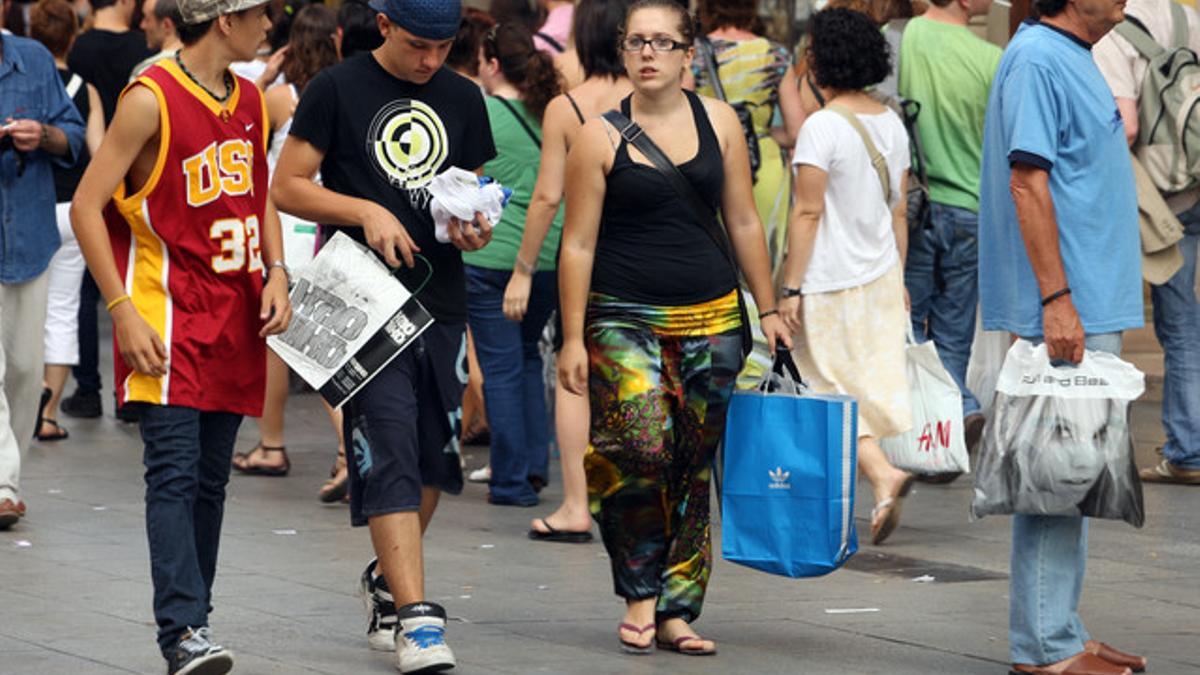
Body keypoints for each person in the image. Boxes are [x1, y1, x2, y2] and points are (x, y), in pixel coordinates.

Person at [271, 0, 494, 670]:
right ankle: (417, 619)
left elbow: (473, 190)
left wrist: (473, 224)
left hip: (442, 296)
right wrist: (364, 208)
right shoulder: (334, 88)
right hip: (358, 300)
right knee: (390, 443)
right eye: (418, 46)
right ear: (385, 25)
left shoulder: (463, 97)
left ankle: (385, 579)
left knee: (436, 459)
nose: (430, 61)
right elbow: (287, 186)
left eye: (443, 47)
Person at [558, 0, 787, 655]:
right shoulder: (596, 136)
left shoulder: (720, 122)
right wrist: (573, 338)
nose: (648, 54)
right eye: (636, 42)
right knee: (638, 451)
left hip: (713, 315)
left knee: (691, 463)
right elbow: (576, 245)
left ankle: (678, 609)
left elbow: (743, 219)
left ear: (690, 53)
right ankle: (639, 592)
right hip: (621, 317)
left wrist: (768, 309)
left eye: (662, 42)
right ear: (623, 52)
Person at [68, 0, 291, 668]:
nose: (271, 23)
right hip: (165, 312)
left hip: (235, 312)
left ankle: (197, 620)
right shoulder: (150, 97)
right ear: (224, 20)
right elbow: (85, 206)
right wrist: (120, 307)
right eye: (262, 12)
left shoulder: (251, 97)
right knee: (172, 472)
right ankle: (182, 630)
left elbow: (261, 194)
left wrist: (277, 270)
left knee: (210, 481)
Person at [978, 0, 1149, 672]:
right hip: (1067, 303)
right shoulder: (1038, 58)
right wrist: (1055, 299)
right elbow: (1028, 181)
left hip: (1087, 298)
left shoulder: (1071, 54)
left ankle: (1061, 630)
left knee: (1070, 475)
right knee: (1058, 473)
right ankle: (1045, 644)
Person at [778, 8, 915, 546]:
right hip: (880, 275)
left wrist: (790, 287)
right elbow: (898, 211)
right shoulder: (891, 123)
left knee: (820, 385)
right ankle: (864, 486)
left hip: (829, 280)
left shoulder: (822, 127)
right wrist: (899, 276)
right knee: (856, 386)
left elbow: (806, 214)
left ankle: (882, 475)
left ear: (819, 61)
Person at [512, 0, 633, 542]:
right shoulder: (663, 102)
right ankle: (636, 498)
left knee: (575, 376)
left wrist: (523, 268)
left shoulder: (568, 108)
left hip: (584, 258)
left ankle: (577, 504)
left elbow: (546, 198)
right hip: (653, 255)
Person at [231, 2, 340, 487]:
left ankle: (280, 443)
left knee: (285, 341)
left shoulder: (279, 97)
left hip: (286, 230)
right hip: (326, 226)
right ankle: (335, 447)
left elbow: (234, 121)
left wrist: (267, 74)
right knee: (320, 342)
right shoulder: (340, 94)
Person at [1094, 0, 1200, 486]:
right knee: (1187, 324)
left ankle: (1187, 449)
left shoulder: (1116, 30)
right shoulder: (1188, 17)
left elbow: (1127, 124)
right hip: (1195, 178)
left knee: (1173, 326)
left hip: (1159, 196)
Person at [897, 0, 1001, 474]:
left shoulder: (914, 35)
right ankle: (953, 419)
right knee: (956, 328)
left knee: (911, 321)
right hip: (973, 210)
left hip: (919, 206)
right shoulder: (991, 59)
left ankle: (932, 423)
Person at [463, 23, 562, 507]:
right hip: (548, 254)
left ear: (493, 63)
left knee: (500, 366)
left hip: (494, 255)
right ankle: (534, 468)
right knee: (527, 357)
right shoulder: (554, 113)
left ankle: (510, 480)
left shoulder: (481, 111)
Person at [0, 0, 85, 529]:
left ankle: (9, 477)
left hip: (30, 234)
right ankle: (3, 485)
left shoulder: (33, 59)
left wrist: (44, 135)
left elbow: (73, 135)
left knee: (28, 372)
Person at [693, 0, 804, 386]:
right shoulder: (775, 55)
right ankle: (755, 367)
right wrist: (762, 134)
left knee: (718, 263)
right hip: (765, 169)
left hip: (709, 165)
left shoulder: (692, 52)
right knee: (760, 269)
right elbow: (795, 129)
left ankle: (717, 358)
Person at [62, 0, 154, 422]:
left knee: (86, 292)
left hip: (91, 175)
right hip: (144, 180)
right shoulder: (143, 48)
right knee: (137, 281)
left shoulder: (79, 50)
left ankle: (88, 388)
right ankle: (133, 391)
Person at [29, 0, 105, 443]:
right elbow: (97, 151)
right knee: (63, 311)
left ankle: (21, 403)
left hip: (30, 209)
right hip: (72, 213)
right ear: (72, 38)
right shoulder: (85, 89)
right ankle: (49, 413)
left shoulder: (25, 82)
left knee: (23, 310)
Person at [131, 0, 184, 79]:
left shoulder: (145, 72)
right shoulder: (202, 65)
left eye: (147, 19)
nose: (142, 25)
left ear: (166, 25)